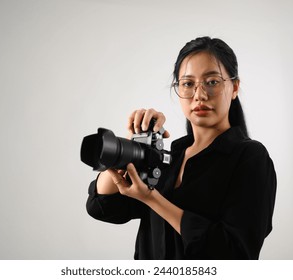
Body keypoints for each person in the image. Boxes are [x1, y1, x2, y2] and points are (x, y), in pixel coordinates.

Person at [85, 36, 277, 259]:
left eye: (212, 82)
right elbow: (102, 207)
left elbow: (235, 253)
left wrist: (152, 199)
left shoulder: (251, 157)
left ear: (234, 87)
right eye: (187, 84)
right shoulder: (170, 156)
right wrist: (130, 142)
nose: (199, 95)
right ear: (178, 89)